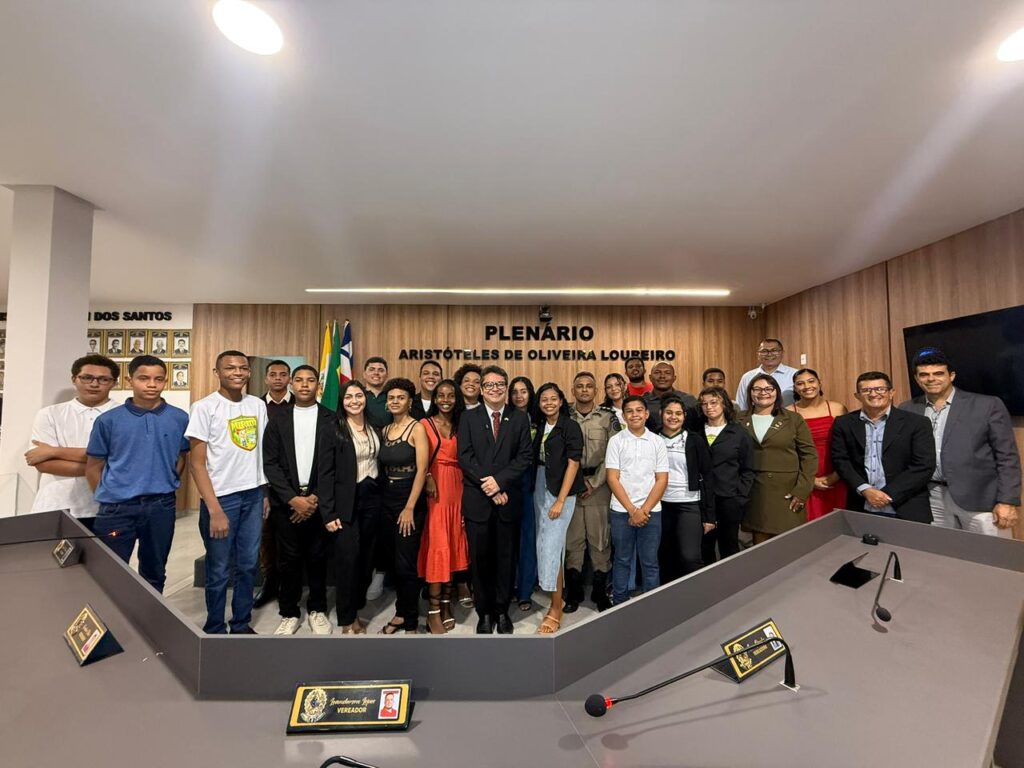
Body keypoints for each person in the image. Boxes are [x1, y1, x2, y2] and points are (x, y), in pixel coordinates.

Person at [85, 356, 189, 593]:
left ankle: (150, 615)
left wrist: (168, 481)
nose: (151, 384)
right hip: (117, 509)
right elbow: (93, 466)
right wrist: (109, 495)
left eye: (158, 379)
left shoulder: (179, 418)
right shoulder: (108, 420)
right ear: (129, 380)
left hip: (161, 506)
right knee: (111, 572)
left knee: (155, 572)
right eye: (144, 378)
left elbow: (182, 457)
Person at [187, 350, 269, 634]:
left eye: (243, 368)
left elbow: (260, 453)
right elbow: (197, 464)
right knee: (219, 568)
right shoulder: (204, 407)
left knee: (248, 565)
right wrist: (214, 509)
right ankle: (214, 627)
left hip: (253, 496)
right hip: (222, 499)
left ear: (249, 372)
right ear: (217, 372)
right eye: (230, 368)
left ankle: (241, 623)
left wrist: (264, 493)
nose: (237, 373)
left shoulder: (257, 405)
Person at [900, 350, 1020, 534]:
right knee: (940, 550)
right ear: (917, 379)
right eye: (924, 375)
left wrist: (1007, 501)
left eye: (938, 373)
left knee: (989, 551)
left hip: (980, 499)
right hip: (930, 497)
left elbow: (1007, 457)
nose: (931, 379)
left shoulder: (987, 405)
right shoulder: (908, 408)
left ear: (951, 376)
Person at [457, 365, 533, 634]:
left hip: (508, 500)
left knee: (505, 559)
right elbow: (465, 457)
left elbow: (524, 456)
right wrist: (490, 486)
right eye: (489, 385)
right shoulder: (468, 417)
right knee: (480, 561)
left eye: (500, 384)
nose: (495, 389)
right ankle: (484, 613)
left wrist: (500, 482)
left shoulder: (519, 418)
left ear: (506, 388)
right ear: (481, 389)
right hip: (478, 501)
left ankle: (501, 611)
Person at [262, 365, 334, 635]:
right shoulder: (277, 419)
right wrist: (293, 499)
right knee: (288, 560)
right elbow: (270, 463)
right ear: (291, 383)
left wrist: (313, 498)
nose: (305, 385)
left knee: (317, 557)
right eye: (300, 380)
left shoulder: (331, 418)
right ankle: (289, 612)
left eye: (311, 380)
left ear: (318, 385)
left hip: (317, 502)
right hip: (287, 503)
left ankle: (317, 609)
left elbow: (334, 464)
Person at [26, 355, 120, 529]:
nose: (94, 384)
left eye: (103, 379)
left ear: (114, 383)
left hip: (107, 507)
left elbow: (123, 461)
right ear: (74, 379)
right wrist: (105, 466)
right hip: (56, 504)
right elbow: (43, 464)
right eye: (87, 377)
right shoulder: (49, 414)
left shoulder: (124, 416)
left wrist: (54, 451)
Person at [318, 380, 382, 634]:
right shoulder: (332, 429)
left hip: (372, 498)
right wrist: (328, 512)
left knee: (367, 561)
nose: (354, 401)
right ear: (342, 402)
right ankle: (347, 620)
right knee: (348, 561)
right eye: (349, 397)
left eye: (358, 396)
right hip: (345, 503)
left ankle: (356, 607)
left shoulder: (375, 426)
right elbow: (325, 473)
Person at [831, 371, 935, 524]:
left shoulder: (917, 423)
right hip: (861, 505)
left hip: (907, 505)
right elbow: (841, 460)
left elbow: (924, 465)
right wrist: (865, 490)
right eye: (866, 390)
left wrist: (886, 495)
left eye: (880, 389)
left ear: (891, 392)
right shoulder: (844, 423)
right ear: (857, 396)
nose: (873, 394)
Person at [530, 383, 584, 634]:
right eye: (544, 399)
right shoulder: (540, 425)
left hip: (561, 489)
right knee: (545, 544)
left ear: (561, 401)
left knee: (552, 546)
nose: (549, 403)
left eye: (554, 398)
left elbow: (573, 463)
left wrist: (561, 499)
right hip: (539, 485)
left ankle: (555, 607)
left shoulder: (570, 426)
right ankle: (555, 596)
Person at [377, 378, 430, 634]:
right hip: (386, 497)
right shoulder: (385, 430)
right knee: (393, 562)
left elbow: (422, 470)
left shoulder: (417, 428)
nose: (395, 401)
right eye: (391, 398)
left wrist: (409, 507)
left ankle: (409, 620)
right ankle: (401, 612)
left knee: (406, 563)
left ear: (410, 402)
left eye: (400, 397)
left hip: (409, 498)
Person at [605, 396, 669, 605]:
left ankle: (652, 605)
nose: (635, 414)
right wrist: (632, 510)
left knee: (650, 562)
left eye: (639, 410)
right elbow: (612, 478)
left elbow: (662, 479)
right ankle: (619, 602)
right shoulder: (616, 441)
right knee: (622, 559)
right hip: (621, 511)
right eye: (630, 411)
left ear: (647, 414)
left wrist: (644, 509)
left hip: (651, 511)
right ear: (623, 416)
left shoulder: (657, 442)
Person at [739, 374, 817, 543]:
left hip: (787, 492)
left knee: (789, 543)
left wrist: (802, 491)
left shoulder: (793, 419)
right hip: (753, 491)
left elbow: (809, 456)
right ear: (750, 392)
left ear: (777, 392)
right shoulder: (738, 418)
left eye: (769, 388)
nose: (763, 393)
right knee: (760, 543)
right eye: (757, 389)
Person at [565, 372, 619, 613]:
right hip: (571, 487)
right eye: (580, 386)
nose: (584, 390)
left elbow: (614, 453)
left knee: (600, 541)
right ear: (573, 390)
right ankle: (574, 592)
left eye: (589, 386)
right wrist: (576, 483)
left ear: (596, 391)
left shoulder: (607, 418)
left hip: (600, 487)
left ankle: (600, 592)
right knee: (573, 541)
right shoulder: (564, 415)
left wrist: (594, 482)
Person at [419, 379, 469, 633]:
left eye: (451, 395)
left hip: (458, 489)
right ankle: (433, 611)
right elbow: (418, 458)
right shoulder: (424, 424)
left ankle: (447, 604)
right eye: (441, 395)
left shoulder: (462, 425)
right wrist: (428, 476)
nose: (446, 400)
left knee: (453, 544)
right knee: (438, 547)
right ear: (435, 398)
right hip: (435, 491)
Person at [657, 396, 715, 581]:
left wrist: (709, 516)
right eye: (669, 413)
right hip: (659, 504)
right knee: (665, 554)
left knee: (690, 556)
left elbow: (707, 476)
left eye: (678, 413)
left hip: (689, 504)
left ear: (684, 416)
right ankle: (668, 594)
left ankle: (699, 592)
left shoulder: (695, 440)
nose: (673, 417)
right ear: (661, 414)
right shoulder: (652, 438)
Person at [697, 386, 754, 563]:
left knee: (728, 545)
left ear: (724, 405)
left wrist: (740, 497)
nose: (709, 407)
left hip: (729, 498)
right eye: (704, 403)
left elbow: (748, 469)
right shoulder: (696, 433)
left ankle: (731, 579)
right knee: (704, 545)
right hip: (701, 498)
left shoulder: (739, 433)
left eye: (714, 402)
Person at [255, 359, 293, 610]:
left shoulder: (303, 403)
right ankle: (270, 583)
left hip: (296, 482)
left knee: (293, 536)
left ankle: (291, 586)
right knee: (267, 536)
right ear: (266, 378)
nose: (278, 378)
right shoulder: (256, 406)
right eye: (273, 374)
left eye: (283, 374)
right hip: (265, 479)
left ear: (289, 378)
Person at [787, 368, 848, 521]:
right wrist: (810, 480)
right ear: (795, 388)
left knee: (838, 522)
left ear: (819, 383)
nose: (807, 386)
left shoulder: (838, 408)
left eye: (811, 381)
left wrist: (836, 475)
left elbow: (848, 445)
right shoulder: (789, 413)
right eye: (800, 383)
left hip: (836, 473)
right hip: (803, 475)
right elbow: (788, 451)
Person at [508, 375, 539, 611]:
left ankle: (525, 590)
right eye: (515, 392)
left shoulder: (539, 418)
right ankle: (509, 585)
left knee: (528, 538)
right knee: (508, 538)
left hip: (533, 482)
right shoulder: (505, 418)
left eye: (524, 391)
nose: (519, 396)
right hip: (508, 482)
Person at [735, 339, 798, 411]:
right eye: (764, 351)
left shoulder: (794, 375)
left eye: (774, 350)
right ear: (758, 354)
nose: (769, 354)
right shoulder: (747, 377)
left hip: (789, 417)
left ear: (782, 353)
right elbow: (741, 405)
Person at [643, 362, 698, 433]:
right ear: (650, 377)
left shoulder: (689, 400)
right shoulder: (642, 402)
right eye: (657, 372)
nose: (662, 376)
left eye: (667, 373)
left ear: (674, 378)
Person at [362, 356, 393, 429]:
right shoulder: (357, 396)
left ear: (387, 375)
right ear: (364, 374)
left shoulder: (392, 396)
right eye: (371, 369)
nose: (376, 373)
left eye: (381, 370)